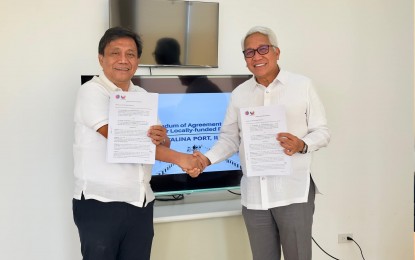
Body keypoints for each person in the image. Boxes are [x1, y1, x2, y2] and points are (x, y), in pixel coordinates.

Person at [190, 26, 330, 260]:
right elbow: (229, 138)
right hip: (255, 195)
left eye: (262, 49)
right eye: (249, 52)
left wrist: (301, 144)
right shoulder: (239, 94)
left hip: (293, 191)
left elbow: (322, 131)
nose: (256, 56)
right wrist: (206, 159)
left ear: (277, 52)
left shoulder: (302, 85)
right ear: (245, 59)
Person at [72, 26, 201, 260]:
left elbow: (164, 142)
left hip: (140, 203)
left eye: (130, 54)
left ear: (138, 60)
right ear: (101, 58)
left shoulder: (142, 95)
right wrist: (183, 160)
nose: (123, 60)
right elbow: (124, 142)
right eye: (115, 53)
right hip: (101, 204)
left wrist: (163, 137)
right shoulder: (91, 92)